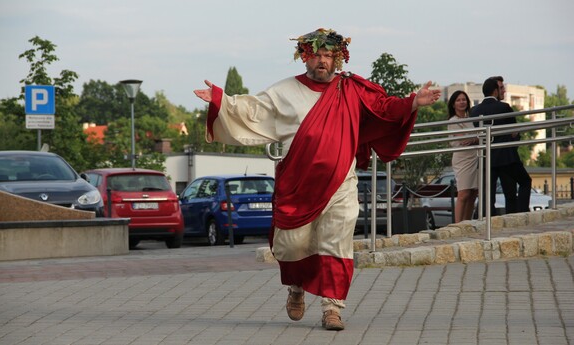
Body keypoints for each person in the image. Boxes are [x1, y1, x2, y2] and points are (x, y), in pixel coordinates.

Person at [193, 28, 440, 331]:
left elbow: (384, 108)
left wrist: (414, 101)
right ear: (305, 57)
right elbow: (252, 110)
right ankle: (297, 286)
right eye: (317, 55)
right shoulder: (284, 91)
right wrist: (219, 100)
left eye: (328, 55)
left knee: (337, 242)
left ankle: (332, 307)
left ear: (338, 59)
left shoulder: (351, 89)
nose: (322, 61)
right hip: (297, 185)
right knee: (292, 246)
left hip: (341, 182)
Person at [470, 76, 531, 214]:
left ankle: (486, 222)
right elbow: (514, 132)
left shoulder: (474, 111)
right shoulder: (504, 107)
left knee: (487, 195)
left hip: (485, 157)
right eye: (500, 88)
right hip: (506, 156)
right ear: (495, 91)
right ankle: (520, 215)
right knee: (522, 184)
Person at [447, 91, 479, 222]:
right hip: (462, 159)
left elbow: (477, 138)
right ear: (453, 104)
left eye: (464, 99)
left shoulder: (470, 119)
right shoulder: (453, 121)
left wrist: (474, 139)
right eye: (458, 100)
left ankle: (467, 222)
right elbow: (464, 139)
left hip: (475, 156)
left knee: (473, 193)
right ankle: (457, 225)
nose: (462, 102)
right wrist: (475, 138)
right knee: (463, 193)